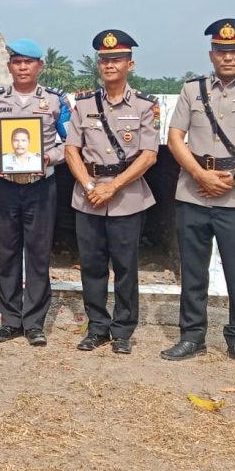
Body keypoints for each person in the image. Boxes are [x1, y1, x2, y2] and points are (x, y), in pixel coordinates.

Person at [160, 18, 235, 367]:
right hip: (193, 191)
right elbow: (174, 138)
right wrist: (200, 174)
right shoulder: (191, 90)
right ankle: (191, 336)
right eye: (221, 51)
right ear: (211, 54)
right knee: (193, 269)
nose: (228, 57)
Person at [64, 29, 159, 354]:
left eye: (116, 59)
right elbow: (71, 150)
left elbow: (149, 154)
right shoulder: (83, 104)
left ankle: (122, 331)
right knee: (91, 265)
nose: (109, 65)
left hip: (127, 197)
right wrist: (90, 186)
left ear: (129, 64)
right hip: (88, 196)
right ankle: (97, 327)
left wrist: (114, 186)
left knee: (125, 266)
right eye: (104, 59)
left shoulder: (146, 105)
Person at [0, 38, 68, 346]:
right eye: (17, 62)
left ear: (40, 66)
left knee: (39, 256)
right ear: (9, 66)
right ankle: (10, 319)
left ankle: (35, 322)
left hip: (41, 186)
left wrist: (48, 158)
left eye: (29, 62)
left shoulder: (56, 101)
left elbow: (70, 143)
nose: (23, 67)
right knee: (7, 254)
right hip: (5, 186)